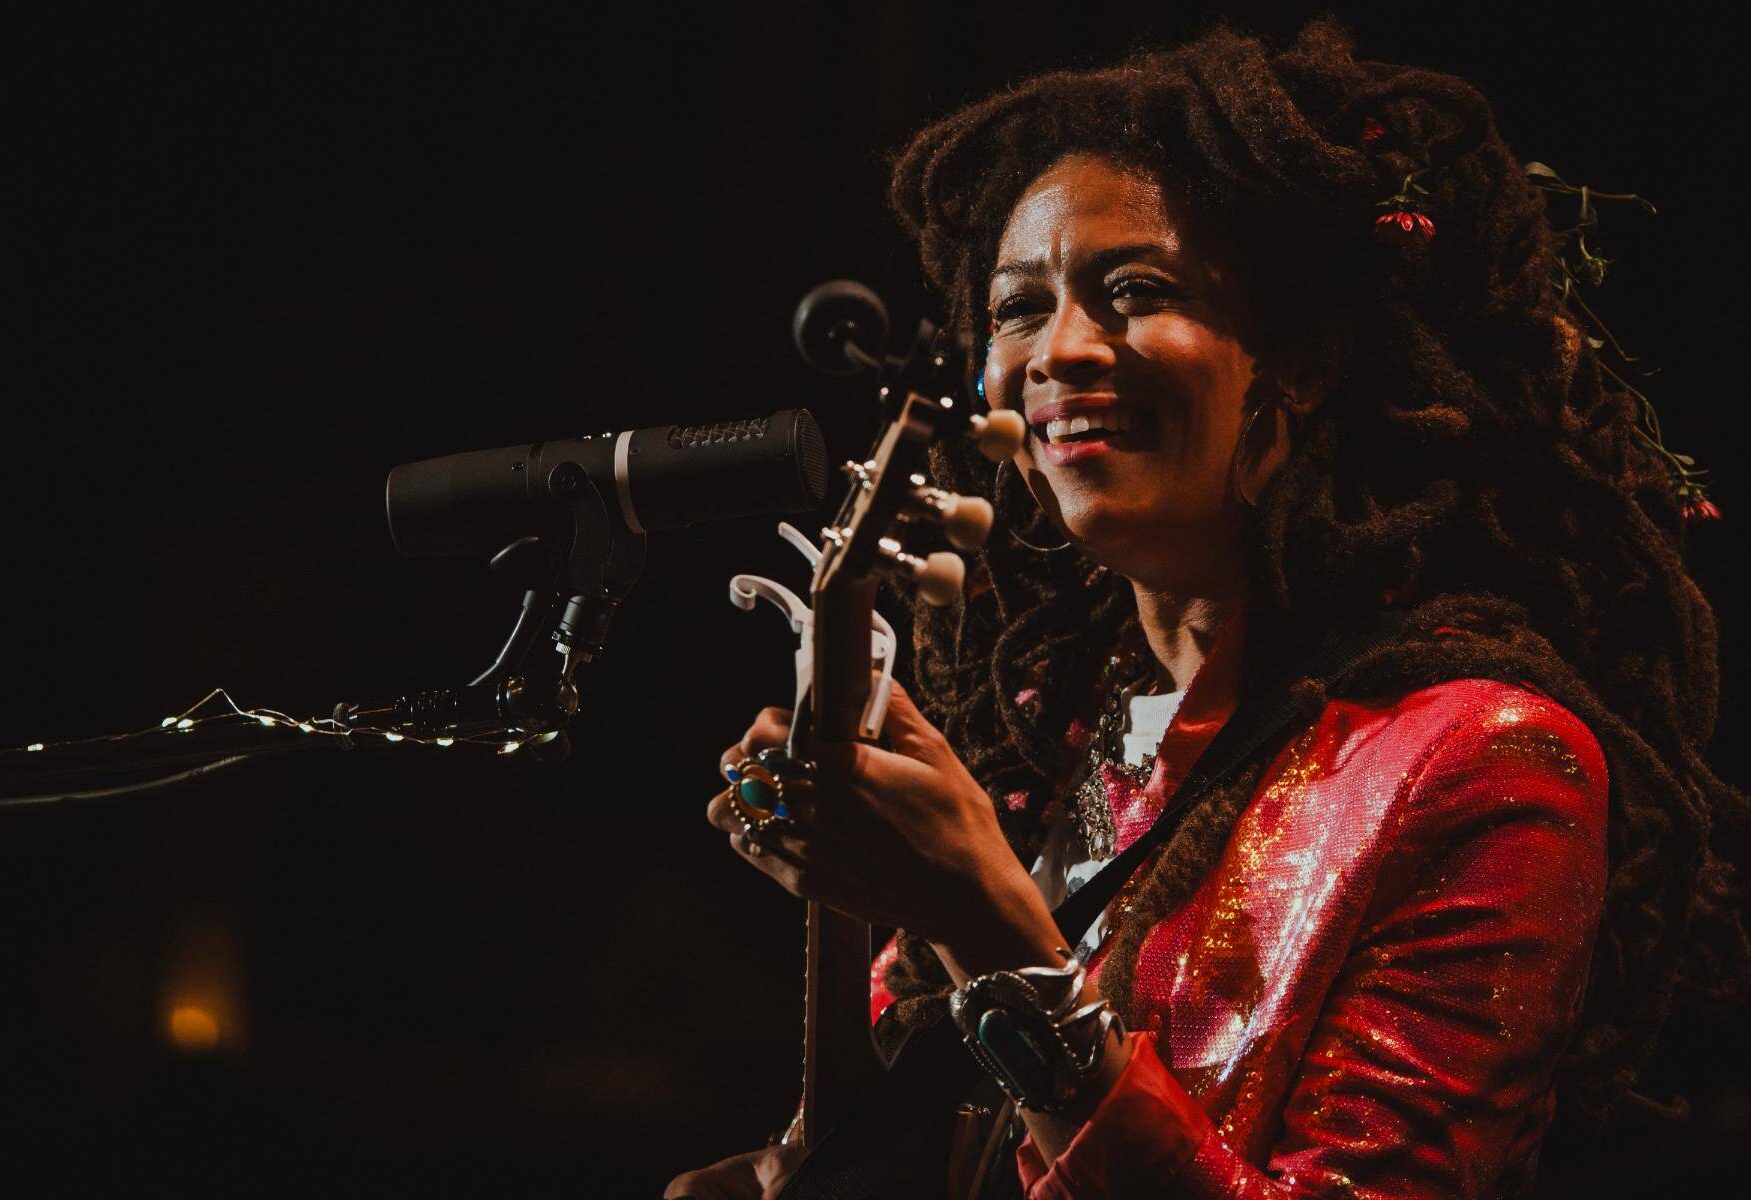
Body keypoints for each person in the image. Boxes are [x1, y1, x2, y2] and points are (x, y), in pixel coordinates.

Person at [667, 16, 1746, 1199]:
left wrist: (986, 925)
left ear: (1301, 360)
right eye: (1019, 307)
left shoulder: (1482, 763)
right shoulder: (1043, 740)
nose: (1059, 350)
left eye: (1135, 291)